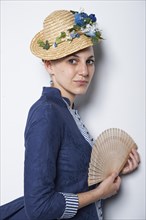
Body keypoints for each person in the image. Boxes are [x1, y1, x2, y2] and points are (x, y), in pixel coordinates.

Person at [0, 9, 140, 220]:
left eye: (89, 61)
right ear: (49, 65)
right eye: (72, 61)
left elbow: (70, 181)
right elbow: (39, 208)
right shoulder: (47, 113)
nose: (84, 71)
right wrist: (99, 194)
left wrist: (114, 172)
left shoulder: (65, 111)